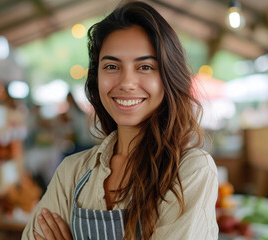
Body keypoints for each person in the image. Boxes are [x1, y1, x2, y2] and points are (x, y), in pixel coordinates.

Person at [22, 1, 218, 239]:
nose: (126, 82)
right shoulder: (71, 172)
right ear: (97, 78)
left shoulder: (190, 170)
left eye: (145, 66)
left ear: (169, 77)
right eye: (112, 66)